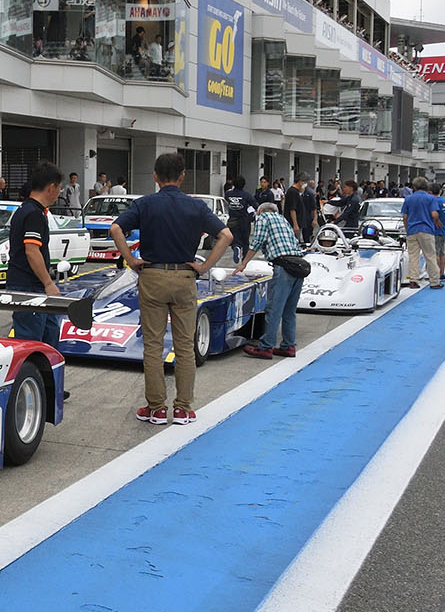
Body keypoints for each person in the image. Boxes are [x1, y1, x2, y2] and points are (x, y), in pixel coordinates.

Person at [111, 152, 231, 425]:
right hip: (184, 277)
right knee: (185, 345)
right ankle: (182, 408)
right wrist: (205, 266)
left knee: (153, 346)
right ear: (182, 176)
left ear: (155, 176)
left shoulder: (145, 204)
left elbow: (116, 228)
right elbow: (226, 235)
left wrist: (131, 260)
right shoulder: (196, 207)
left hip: (152, 276)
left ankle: (155, 408)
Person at [234, 203, 303, 359]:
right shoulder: (283, 219)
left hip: (283, 266)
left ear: (259, 211)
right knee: (289, 310)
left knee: (274, 309)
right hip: (299, 265)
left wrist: (243, 263)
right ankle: (288, 345)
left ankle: (266, 347)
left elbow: (256, 242)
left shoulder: (263, 218)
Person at [7, 162, 64, 348]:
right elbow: (32, 250)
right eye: (59, 188)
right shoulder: (33, 214)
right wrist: (48, 283)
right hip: (28, 287)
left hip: (31, 285)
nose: (59, 193)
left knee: (50, 333)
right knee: (30, 343)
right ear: (51, 187)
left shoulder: (27, 210)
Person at [401, 176, 445, 290]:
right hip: (426, 230)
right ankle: (434, 281)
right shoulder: (431, 198)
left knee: (413, 256)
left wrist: (407, 229)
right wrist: (436, 221)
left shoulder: (408, 199)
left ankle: (413, 280)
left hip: (412, 230)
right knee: (430, 256)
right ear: (426, 187)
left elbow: (405, 217)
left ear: (414, 187)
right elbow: (434, 214)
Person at [223, 175, 254, 261]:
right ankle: (245, 260)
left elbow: (226, 201)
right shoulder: (246, 195)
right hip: (244, 219)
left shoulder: (228, 194)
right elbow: (255, 205)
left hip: (232, 220)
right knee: (245, 240)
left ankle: (236, 247)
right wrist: (250, 213)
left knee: (234, 238)